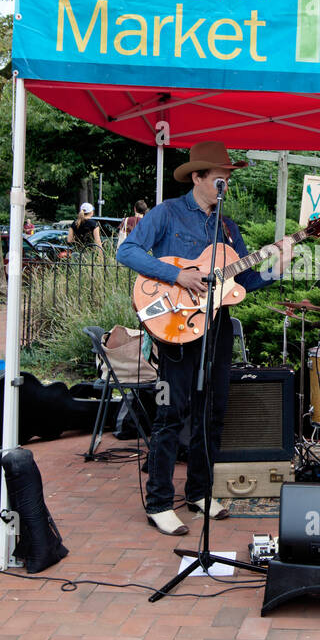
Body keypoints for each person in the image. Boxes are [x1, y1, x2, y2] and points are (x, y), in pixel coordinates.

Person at [116, 141, 293, 536]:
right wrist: (177, 275)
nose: (224, 184)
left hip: (217, 325)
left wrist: (277, 263)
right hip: (176, 325)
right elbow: (127, 252)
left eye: (227, 178)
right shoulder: (167, 214)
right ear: (196, 177)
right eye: (218, 177)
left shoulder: (228, 227)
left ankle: (198, 491)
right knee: (171, 412)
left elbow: (243, 281)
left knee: (213, 412)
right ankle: (159, 501)